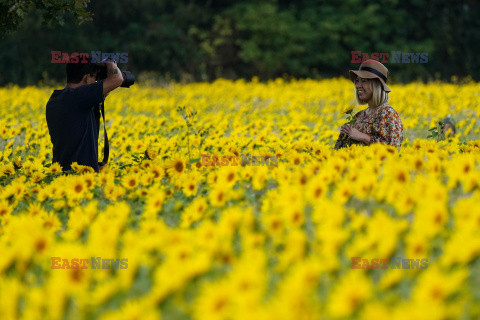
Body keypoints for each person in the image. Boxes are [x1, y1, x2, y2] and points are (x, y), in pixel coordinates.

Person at [46, 56, 123, 172]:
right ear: (87, 78)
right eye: (95, 78)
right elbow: (117, 79)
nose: (96, 82)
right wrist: (111, 63)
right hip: (81, 176)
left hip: (60, 174)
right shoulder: (79, 97)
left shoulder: (55, 99)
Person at [334, 59, 404, 150]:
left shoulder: (388, 114)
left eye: (363, 81)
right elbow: (339, 151)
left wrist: (363, 137)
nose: (358, 85)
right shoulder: (358, 116)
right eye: (357, 81)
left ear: (376, 85)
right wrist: (345, 136)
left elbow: (393, 148)